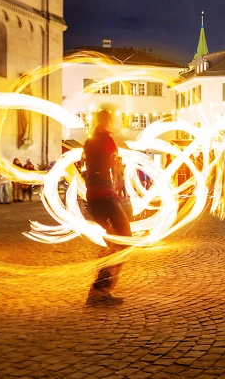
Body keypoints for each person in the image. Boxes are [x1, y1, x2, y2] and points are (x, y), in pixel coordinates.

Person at [83, 108, 132, 306]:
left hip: (94, 195)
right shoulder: (106, 141)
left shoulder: (90, 141)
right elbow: (115, 168)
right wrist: (118, 181)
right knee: (124, 238)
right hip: (104, 194)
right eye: (112, 120)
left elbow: (88, 165)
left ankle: (99, 288)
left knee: (114, 240)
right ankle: (100, 290)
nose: (114, 124)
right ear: (106, 122)